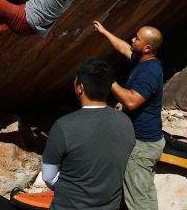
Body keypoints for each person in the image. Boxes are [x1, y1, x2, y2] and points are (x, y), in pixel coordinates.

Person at [41, 58, 135, 210]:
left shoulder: (63, 126)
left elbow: (48, 176)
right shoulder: (126, 122)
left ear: (80, 88)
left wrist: (72, 189)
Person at [94, 21, 164, 210]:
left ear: (147, 47)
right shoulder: (143, 60)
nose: (132, 40)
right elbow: (125, 48)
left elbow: (132, 101)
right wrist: (105, 32)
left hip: (143, 145)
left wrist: (109, 81)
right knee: (145, 191)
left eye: (137, 38)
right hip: (148, 140)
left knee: (136, 198)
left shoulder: (150, 72)